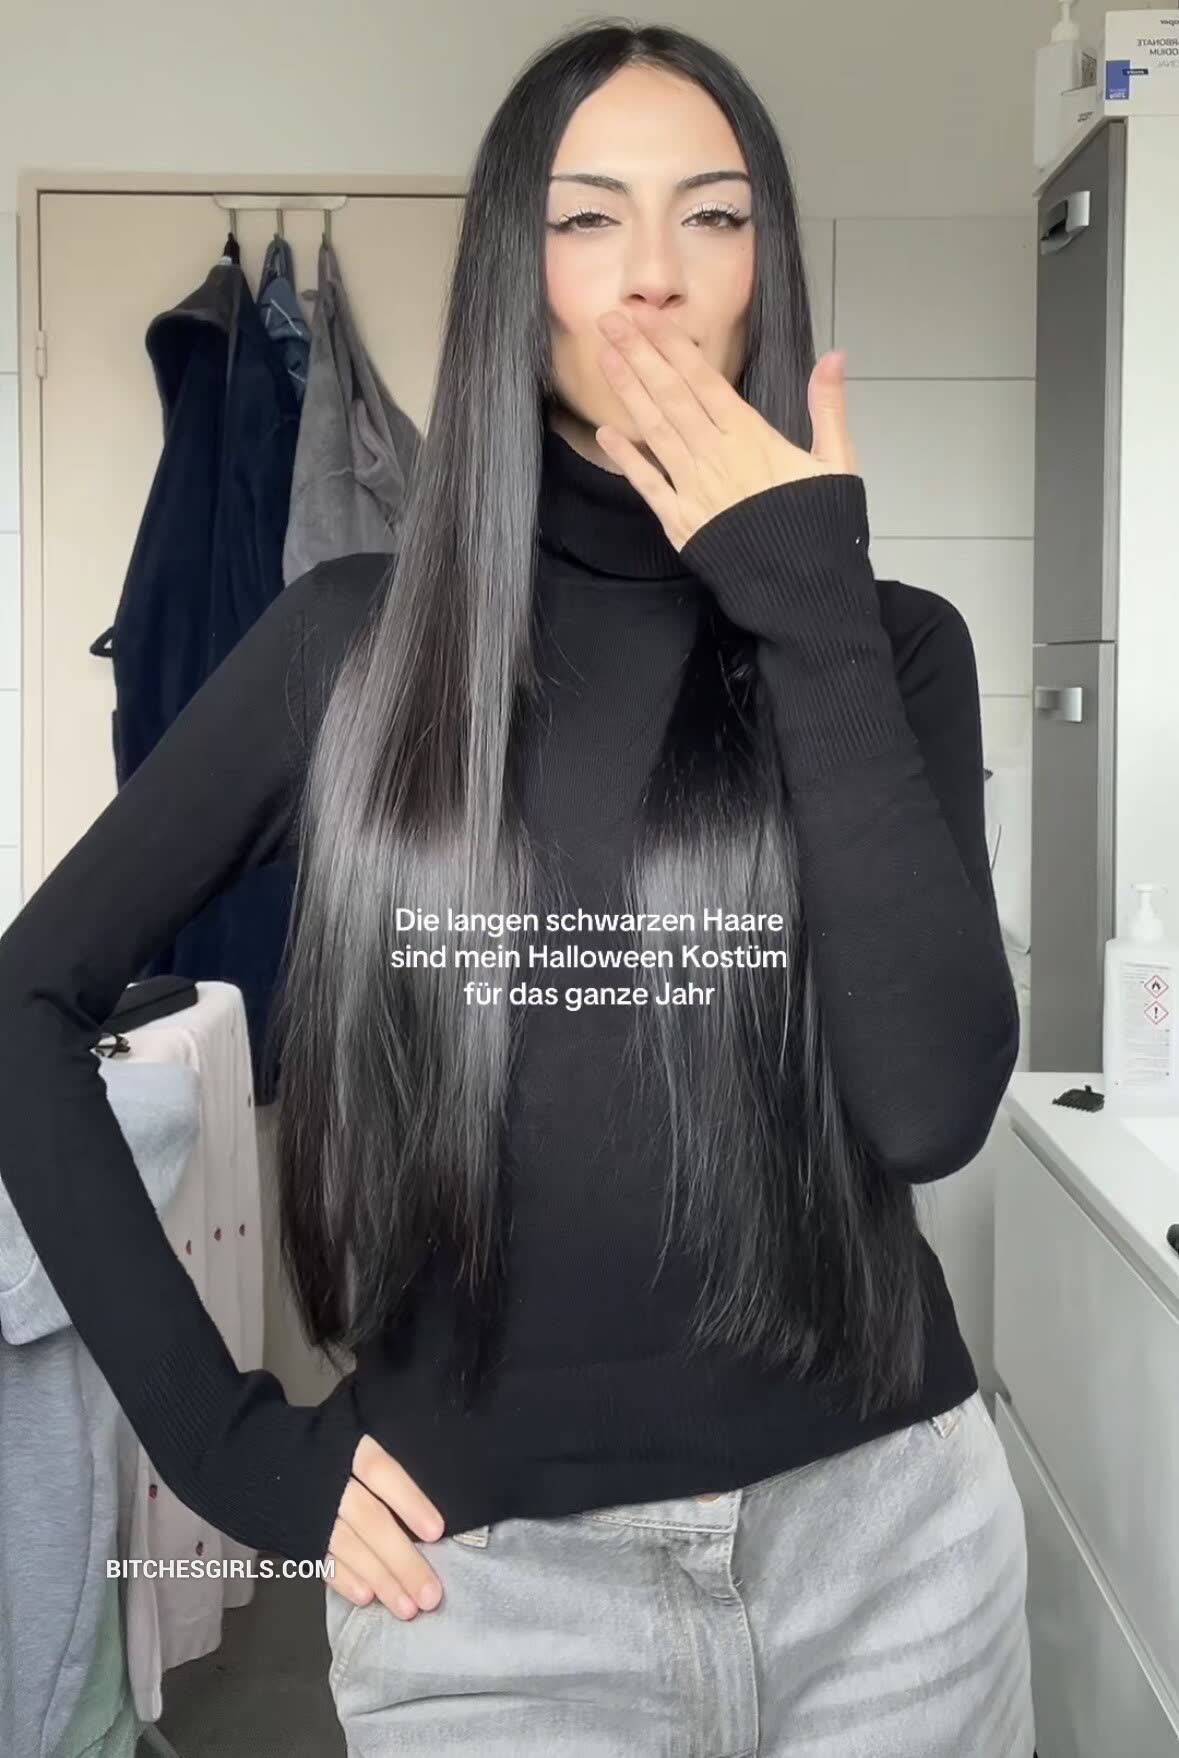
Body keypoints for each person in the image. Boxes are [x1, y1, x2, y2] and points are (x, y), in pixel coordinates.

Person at [0, 19, 1036, 1756]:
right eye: (589, 217)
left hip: (893, 1559)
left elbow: (933, 1106)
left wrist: (813, 606)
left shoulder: (891, 647)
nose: (655, 272)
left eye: (714, 214)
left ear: (765, 266)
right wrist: (227, 1444)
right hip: (487, 1602)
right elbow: (25, 1000)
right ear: (511, 266)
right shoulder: (348, 649)